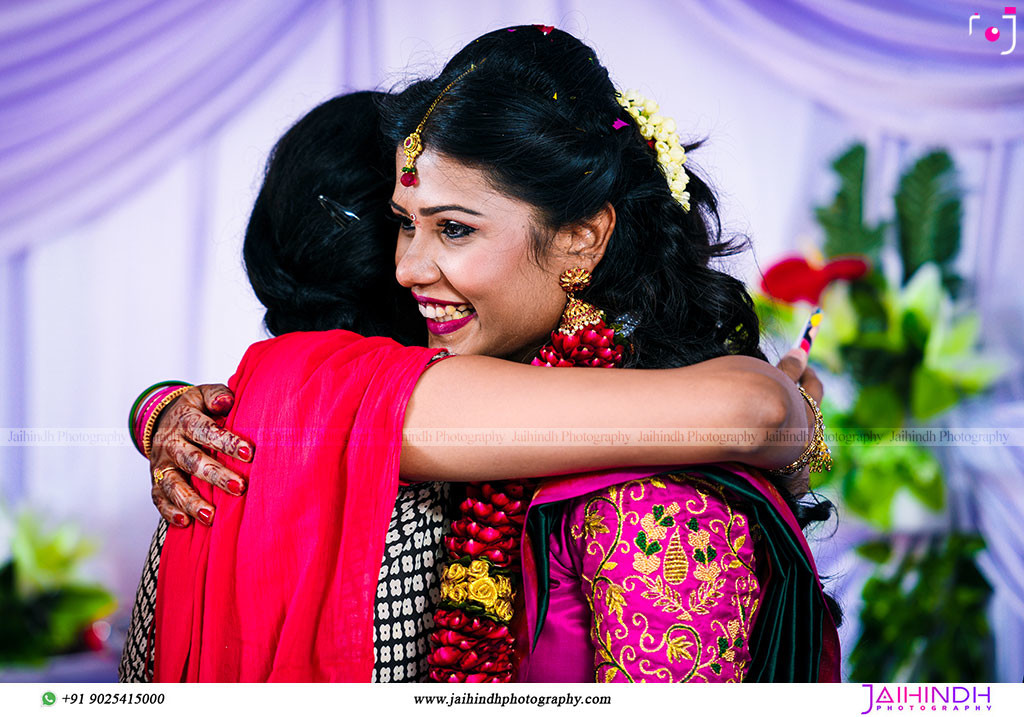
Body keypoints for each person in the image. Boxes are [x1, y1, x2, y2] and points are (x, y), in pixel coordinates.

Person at [128, 27, 834, 684]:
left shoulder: (653, 504)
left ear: (583, 238)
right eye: (404, 226)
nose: (408, 268)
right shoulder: (422, 403)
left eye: (455, 229)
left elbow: (755, 411)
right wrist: (794, 415)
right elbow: (757, 409)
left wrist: (787, 420)